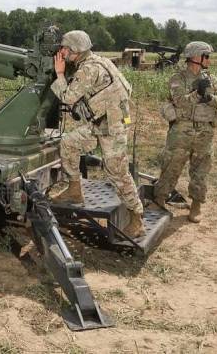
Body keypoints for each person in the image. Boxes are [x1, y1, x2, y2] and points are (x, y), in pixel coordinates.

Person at [51, 30, 146, 238]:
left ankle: (137, 218)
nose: (62, 52)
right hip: (101, 123)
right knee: (69, 143)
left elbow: (67, 98)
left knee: (117, 171)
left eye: (65, 49)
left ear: (75, 51)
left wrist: (59, 73)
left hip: (113, 128)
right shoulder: (100, 61)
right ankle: (75, 190)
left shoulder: (88, 69)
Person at [154, 41, 217, 223]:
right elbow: (179, 101)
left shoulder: (211, 78)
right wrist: (197, 93)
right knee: (172, 165)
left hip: (204, 131)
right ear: (196, 57)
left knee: (200, 170)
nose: (209, 60)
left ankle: (196, 205)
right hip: (181, 130)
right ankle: (160, 199)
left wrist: (209, 97)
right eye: (206, 56)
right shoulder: (177, 78)